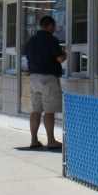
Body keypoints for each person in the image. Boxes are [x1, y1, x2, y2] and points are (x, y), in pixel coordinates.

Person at [25, 15, 66, 148]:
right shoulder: (51, 39)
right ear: (50, 26)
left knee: (36, 110)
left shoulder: (31, 40)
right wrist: (64, 54)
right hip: (48, 78)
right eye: (53, 26)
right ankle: (51, 141)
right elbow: (60, 59)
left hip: (33, 78)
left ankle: (34, 140)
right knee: (49, 111)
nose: (53, 29)